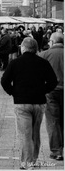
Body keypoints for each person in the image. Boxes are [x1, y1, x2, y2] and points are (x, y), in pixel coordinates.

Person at [1, 37, 58, 170]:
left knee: (25, 134)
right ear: (35, 48)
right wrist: (43, 91)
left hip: (22, 103)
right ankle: (33, 159)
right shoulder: (43, 62)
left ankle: (27, 162)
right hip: (39, 102)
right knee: (35, 132)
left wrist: (14, 92)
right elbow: (53, 81)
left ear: (23, 48)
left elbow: (4, 81)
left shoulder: (15, 63)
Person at [39, 32, 64, 161]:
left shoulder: (44, 55)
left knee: (53, 121)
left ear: (53, 42)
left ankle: (56, 151)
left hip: (51, 91)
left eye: (49, 41)